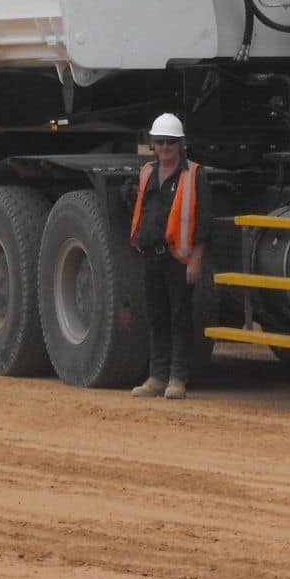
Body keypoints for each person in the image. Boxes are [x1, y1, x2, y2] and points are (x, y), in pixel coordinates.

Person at [129, 113, 210, 400]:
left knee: (179, 318)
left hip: (178, 259)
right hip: (151, 255)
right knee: (157, 318)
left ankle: (178, 377)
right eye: (160, 142)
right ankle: (157, 376)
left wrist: (196, 260)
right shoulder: (147, 172)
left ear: (180, 144)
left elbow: (202, 221)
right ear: (153, 144)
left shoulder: (194, 174)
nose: (165, 147)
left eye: (170, 142)